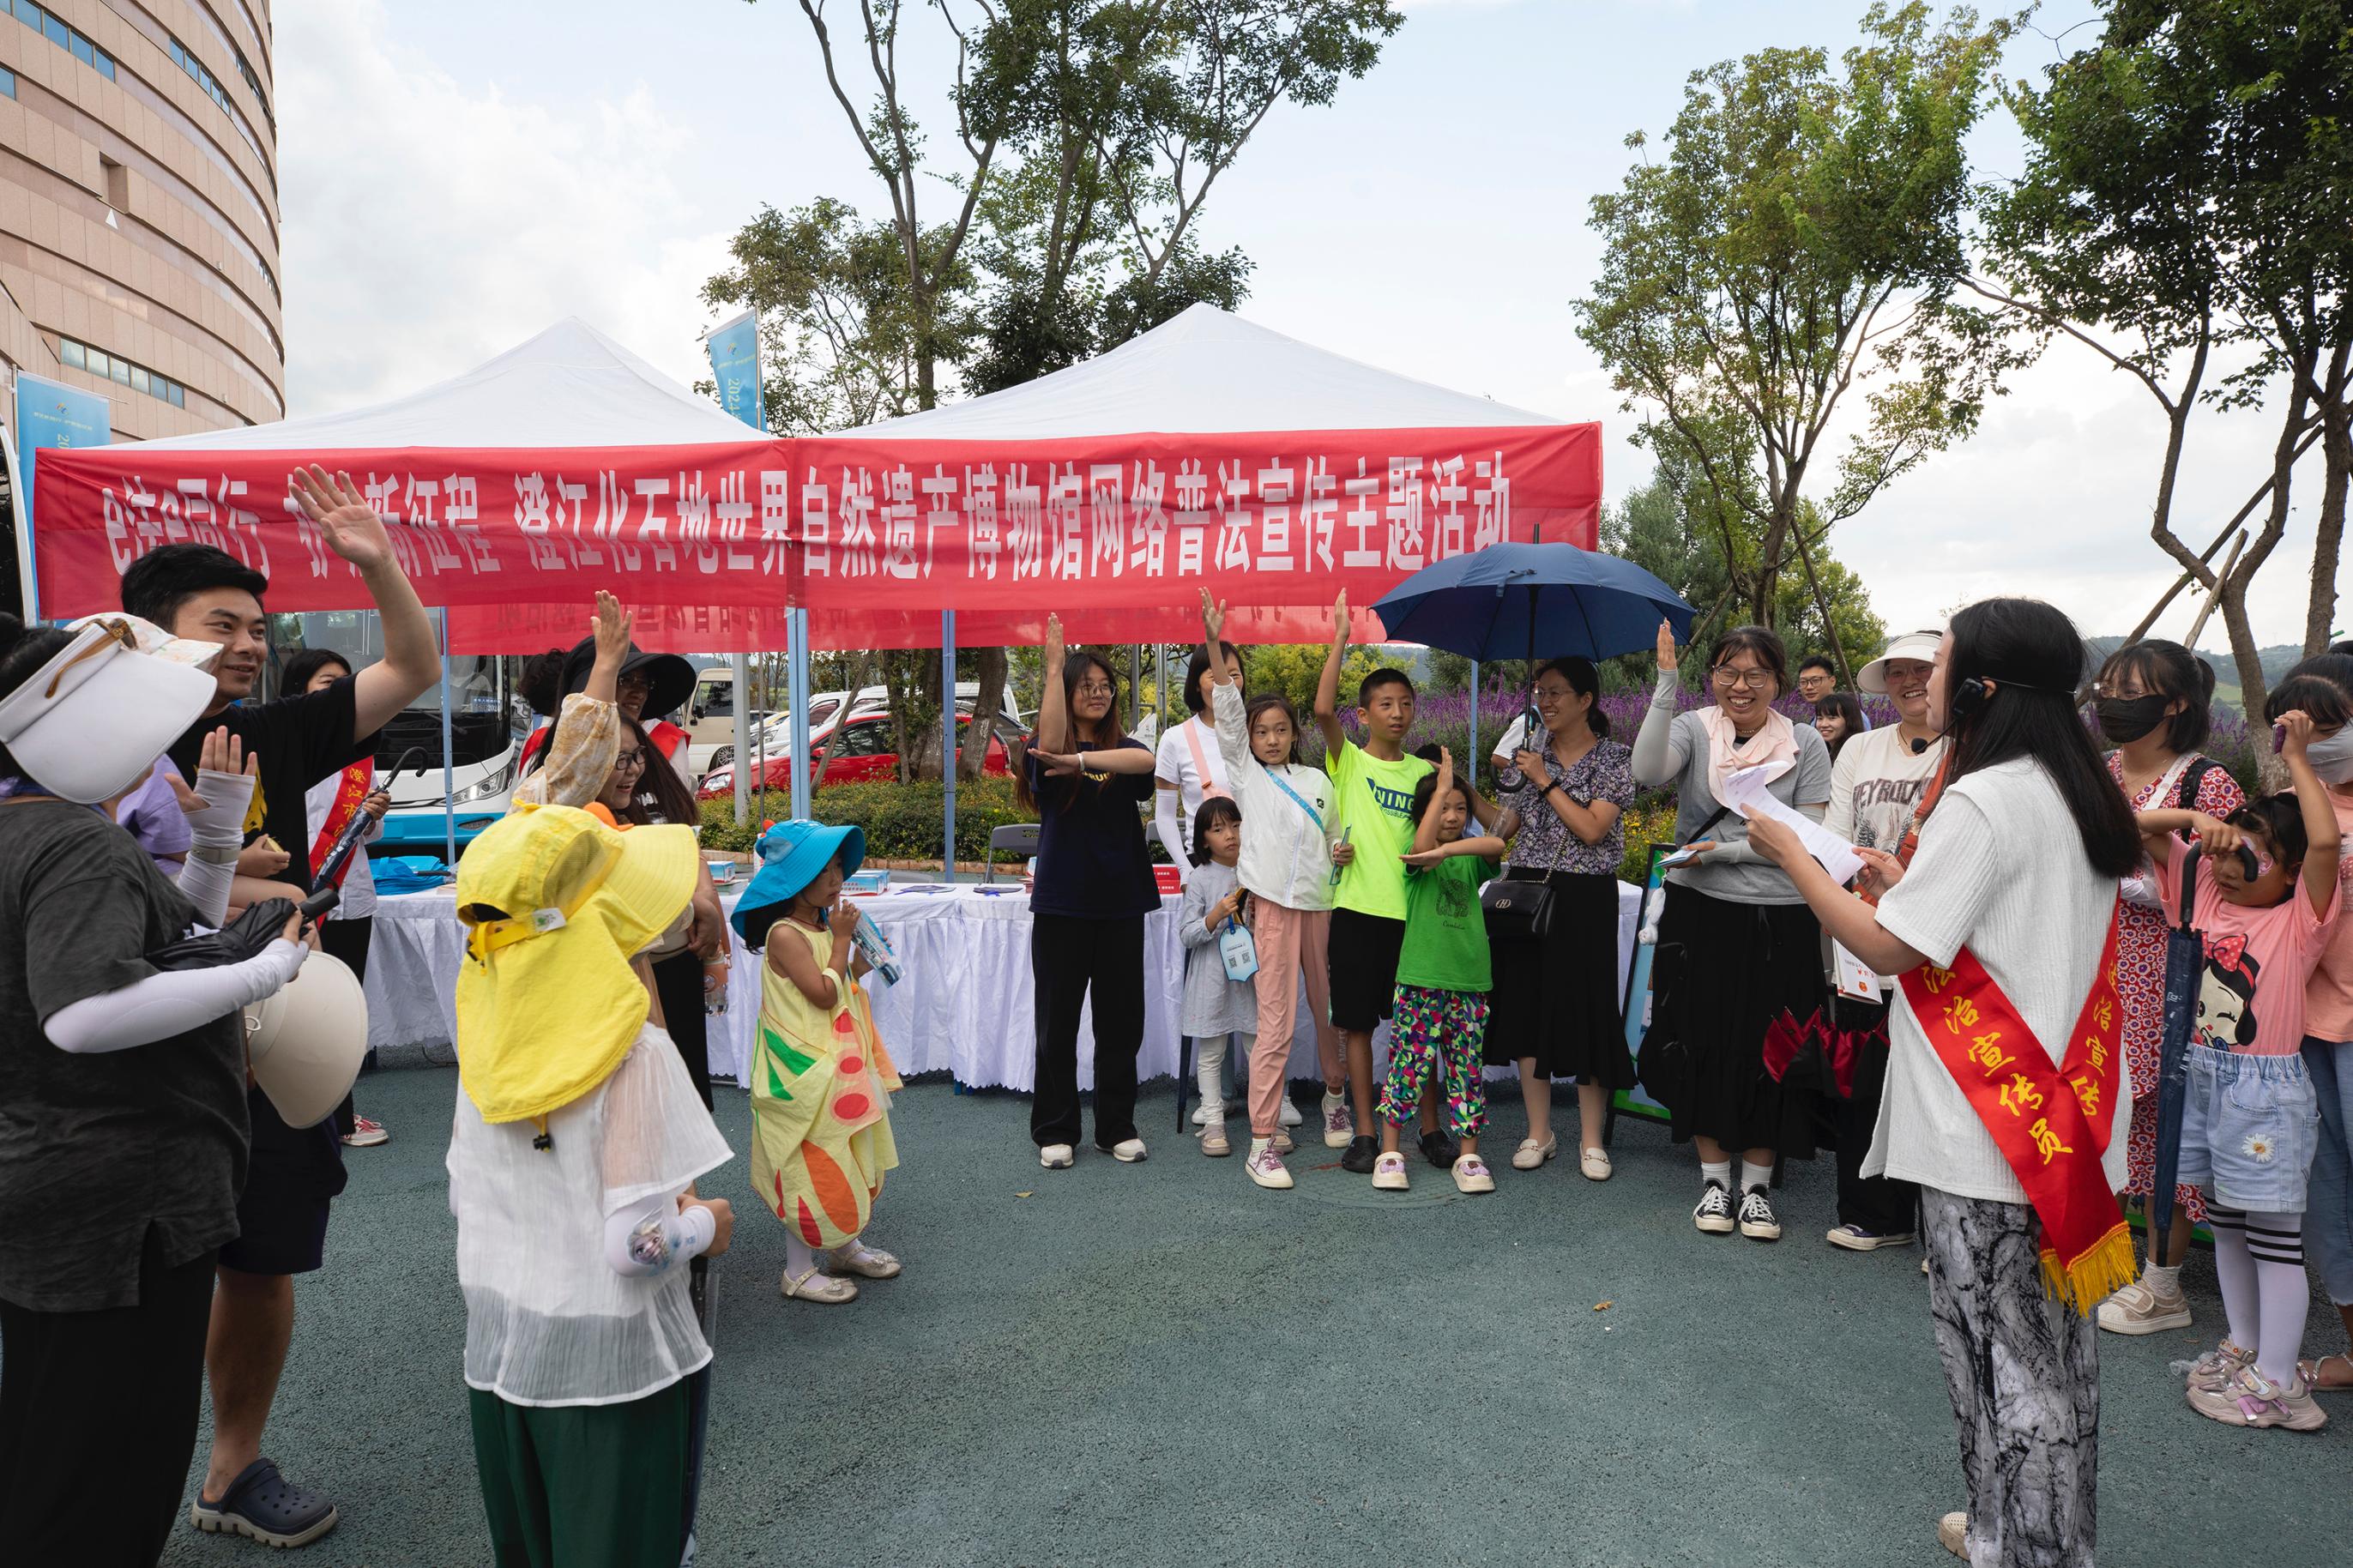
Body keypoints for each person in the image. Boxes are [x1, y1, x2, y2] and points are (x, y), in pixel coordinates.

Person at [1745, 598, 2143, 1566]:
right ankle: (2020, 1529)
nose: (1926, 681)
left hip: (1989, 1131)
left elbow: (1887, 948)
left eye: (1942, 664)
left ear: (1980, 689)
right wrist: (1898, 883)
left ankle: (2031, 1547)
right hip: (2063, 1117)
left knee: (1996, 1357)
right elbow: (1984, 923)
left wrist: (1796, 857)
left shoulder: (1981, 797)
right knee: (2052, 1357)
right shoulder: (2073, 786)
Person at [122, 470, 442, 1551]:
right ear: (151, 632)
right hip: (142, 1059)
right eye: (223, 625)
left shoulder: (273, 730)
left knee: (262, 1259)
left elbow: (412, 669)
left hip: (276, 1042)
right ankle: (107, 1485)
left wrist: (376, 562)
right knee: (139, 1272)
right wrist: (232, 877)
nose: (250, 644)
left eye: (259, 628)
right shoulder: (92, 748)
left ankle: (233, 1465)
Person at [0, 612, 308, 1566]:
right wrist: (262, 971)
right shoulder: (75, 841)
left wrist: (212, 842)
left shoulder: (36, 828)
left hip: (56, 1184)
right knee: (108, 1472)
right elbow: (83, 1013)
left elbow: (165, 948)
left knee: (54, 1438)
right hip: (124, 1196)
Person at [449, 802, 733, 1567]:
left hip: (506, 1353)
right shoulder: (632, 1054)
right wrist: (708, 1223)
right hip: (612, 1370)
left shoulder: (485, 1041)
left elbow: (465, 1197)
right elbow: (636, 1245)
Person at [2135, 704, 2341, 1431]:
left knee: (2273, 1239)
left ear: (2289, 872)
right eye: (2223, 852)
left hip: (2264, 1097)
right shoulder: (2203, 893)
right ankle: (2244, 1347)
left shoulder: (2298, 918)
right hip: (2203, 1079)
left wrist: (2298, 762)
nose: (2227, 866)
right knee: (2224, 1222)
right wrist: (2198, 820)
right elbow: (2131, 828)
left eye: (2249, 857)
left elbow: (2323, 841)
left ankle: (2280, 1385)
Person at [1632, 620, 1833, 1241]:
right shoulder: (1695, 729)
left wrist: (1722, 853)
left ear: (1778, 681)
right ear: (1712, 676)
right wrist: (1665, 683)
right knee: (1702, 1037)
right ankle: (1715, 1181)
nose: (1740, 686)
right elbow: (1646, 770)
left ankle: (1757, 1189)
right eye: (1727, 672)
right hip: (1701, 911)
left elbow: (1802, 841)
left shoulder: (1804, 742)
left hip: (1782, 915)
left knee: (1773, 1046)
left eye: (1755, 674)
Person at [2088, 639, 2247, 1337]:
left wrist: (2153, 836)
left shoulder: (2206, 784)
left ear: (2175, 703)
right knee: (2096, 1114)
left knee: (2164, 1126)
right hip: (2093, 965)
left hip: (2169, 975)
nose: (2112, 704)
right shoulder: (2100, 770)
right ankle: (2093, 1258)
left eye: (2131, 692)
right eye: (2107, 690)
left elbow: (2225, 892)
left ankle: (2162, 1287)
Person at [729, 819, 904, 1305]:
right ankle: (798, 1270)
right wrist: (844, 941)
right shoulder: (786, 934)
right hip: (804, 1073)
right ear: (795, 879)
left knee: (843, 1150)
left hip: (836, 1067)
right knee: (806, 1164)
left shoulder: (822, 925)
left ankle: (844, 1246)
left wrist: (861, 961)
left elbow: (840, 982)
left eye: (838, 868)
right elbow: (823, 994)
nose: (836, 879)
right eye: (823, 870)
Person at [1199, 594, 1341, 1187]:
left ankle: (1335, 1098)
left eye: (1281, 729)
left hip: (1321, 908)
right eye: (1263, 731)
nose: (1272, 738)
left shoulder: (1318, 780)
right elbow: (1228, 716)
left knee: (1329, 1012)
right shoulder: (1246, 775)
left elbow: (1335, 837)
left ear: (1294, 733)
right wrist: (1214, 644)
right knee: (1275, 1024)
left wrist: (1341, 852)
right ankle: (1262, 1142)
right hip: (1274, 912)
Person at [1815, 630, 1946, 1252]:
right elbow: (1835, 833)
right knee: (1862, 1075)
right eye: (1897, 671)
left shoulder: (1969, 749)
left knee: (1938, 1081)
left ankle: (1940, 1227)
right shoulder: (1861, 748)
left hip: (1936, 933)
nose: (1909, 681)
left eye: (1922, 669)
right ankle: (1873, 1212)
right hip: (1862, 928)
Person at [1483, 656, 1638, 1179]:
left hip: (1585, 895)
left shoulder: (1614, 758)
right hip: (1527, 891)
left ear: (1585, 700)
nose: (1544, 702)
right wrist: (1458, 793)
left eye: (1555, 692)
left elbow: (1593, 829)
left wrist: (1544, 779)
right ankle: (1538, 1132)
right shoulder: (1531, 756)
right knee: (1528, 1008)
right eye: (1539, 692)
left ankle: (1591, 1141)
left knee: (1590, 1008)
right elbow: (1502, 830)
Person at [1019, 616, 1161, 1169]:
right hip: (1062, 905)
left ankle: (1115, 1127)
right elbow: (1051, 744)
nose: (1098, 694)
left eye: (1105, 687)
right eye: (1086, 686)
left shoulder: (1121, 750)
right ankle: (1056, 1129)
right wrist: (1055, 667)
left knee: (1121, 1023)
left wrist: (1080, 760)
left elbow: (1145, 762)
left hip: (1122, 903)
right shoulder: (1044, 751)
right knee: (1057, 1023)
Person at [1316, 589, 1442, 1174]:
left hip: (1415, 918)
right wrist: (1341, 638)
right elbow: (1322, 711)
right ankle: (1366, 1133)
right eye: (1385, 704)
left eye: (1405, 703)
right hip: (1357, 914)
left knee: (1418, 1031)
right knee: (1359, 1028)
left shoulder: (1426, 772)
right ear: (1363, 715)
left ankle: (1430, 1128)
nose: (1397, 713)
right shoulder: (1348, 762)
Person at [1371, 749, 1508, 1194]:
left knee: (1467, 1071)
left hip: (1470, 983)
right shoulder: (1416, 858)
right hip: (1420, 981)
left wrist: (1449, 846)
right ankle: (1390, 1154)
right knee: (1407, 1067)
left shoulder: (1466, 856)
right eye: (1442, 807)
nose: (1452, 815)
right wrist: (1442, 791)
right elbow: (1421, 848)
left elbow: (1497, 844)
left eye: (1459, 808)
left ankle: (1469, 1157)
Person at [2277, 659, 2353, 1396]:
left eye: (2326, 729)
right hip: (2307, 1027)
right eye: (2294, 732)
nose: (2312, 746)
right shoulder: (2293, 804)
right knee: (2325, 1199)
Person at [284, 648, 394, 1150]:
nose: (339, 694)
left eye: (345, 685)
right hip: (294, 896)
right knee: (297, 1008)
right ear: (299, 691)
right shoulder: (282, 746)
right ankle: (297, 1110)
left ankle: (342, 1116)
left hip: (353, 898)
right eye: (327, 684)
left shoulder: (359, 756)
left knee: (344, 1007)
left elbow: (371, 836)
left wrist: (372, 815)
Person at [1177, 796, 1255, 1161]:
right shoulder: (1200, 878)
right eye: (1219, 829)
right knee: (1211, 1052)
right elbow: (1187, 933)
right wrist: (1215, 915)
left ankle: (1267, 1119)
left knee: (1259, 1047)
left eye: (1236, 826)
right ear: (1204, 839)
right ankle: (1213, 1123)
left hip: (1251, 974)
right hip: (1212, 975)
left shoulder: (1256, 870)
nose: (1231, 835)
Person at [1813, 691, 1866, 762]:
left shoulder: (1853, 755)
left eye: (1832, 718)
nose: (1823, 724)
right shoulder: (1820, 752)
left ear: (1849, 720)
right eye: (1820, 718)